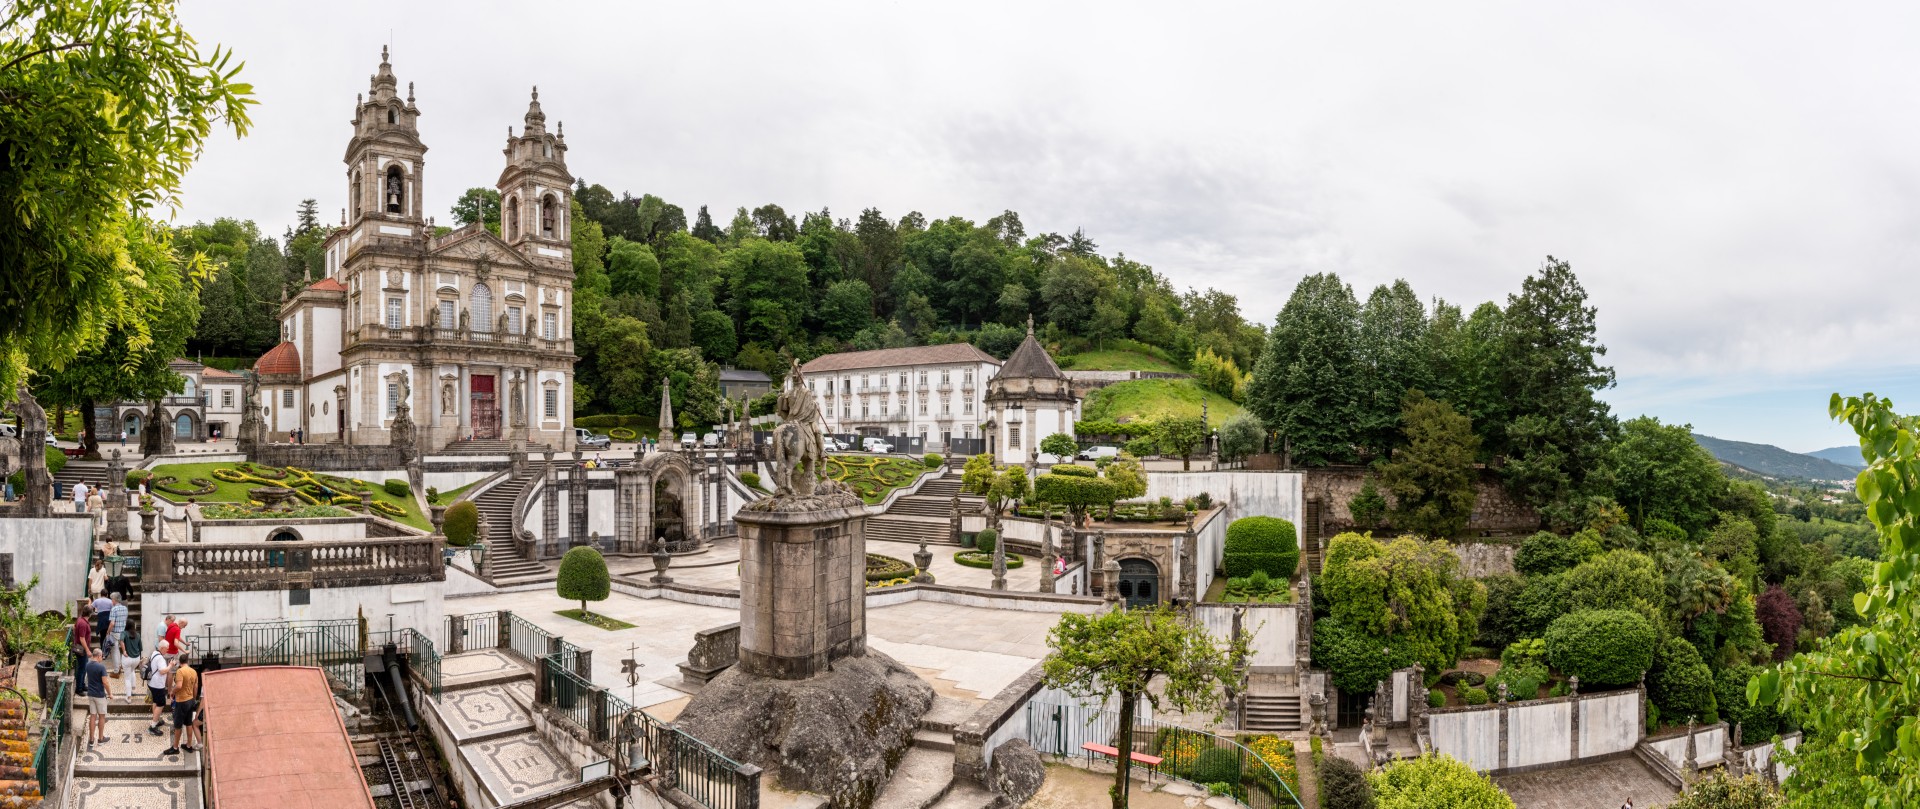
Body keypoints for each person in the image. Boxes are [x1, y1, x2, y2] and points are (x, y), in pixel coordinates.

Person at [163, 655, 200, 755]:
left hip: (181, 701)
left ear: (180, 662)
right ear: (187, 661)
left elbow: (179, 686)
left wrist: (172, 692)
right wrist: (194, 698)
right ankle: (188, 745)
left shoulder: (180, 671)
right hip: (190, 700)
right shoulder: (193, 671)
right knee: (188, 723)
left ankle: (175, 747)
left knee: (178, 725)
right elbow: (195, 687)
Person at [83, 648, 109, 748]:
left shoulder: (87, 665)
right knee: (102, 716)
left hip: (90, 694)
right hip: (99, 695)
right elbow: (105, 682)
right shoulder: (101, 667)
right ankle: (101, 739)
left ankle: (91, 739)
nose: (102, 658)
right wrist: (110, 693)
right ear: (98, 656)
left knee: (93, 716)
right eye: (101, 656)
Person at [145, 645, 171, 735]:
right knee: (161, 704)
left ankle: (156, 720)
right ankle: (152, 727)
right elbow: (162, 671)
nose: (167, 650)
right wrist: (170, 665)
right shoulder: (160, 658)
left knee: (155, 702)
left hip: (151, 683)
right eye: (167, 648)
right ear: (162, 648)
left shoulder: (154, 653)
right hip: (157, 685)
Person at [70, 604, 94, 696]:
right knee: (82, 669)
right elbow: (82, 638)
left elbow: (74, 627)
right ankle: (79, 689)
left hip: (81, 648)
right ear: (90, 614)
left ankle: (82, 685)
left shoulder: (80, 619)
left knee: (83, 668)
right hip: (82, 650)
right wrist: (87, 650)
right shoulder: (83, 623)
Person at [107, 595, 128, 696]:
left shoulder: (114, 609)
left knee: (114, 651)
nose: (111, 601)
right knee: (122, 650)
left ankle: (116, 671)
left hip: (115, 632)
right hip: (123, 632)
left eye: (112, 599)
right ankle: (121, 666)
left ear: (115, 600)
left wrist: (108, 632)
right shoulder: (125, 608)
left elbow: (112, 623)